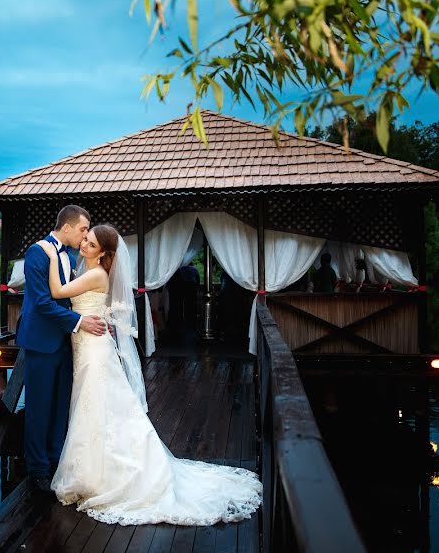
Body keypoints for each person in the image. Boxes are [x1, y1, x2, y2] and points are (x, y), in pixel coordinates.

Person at [35, 224, 261, 526]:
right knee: (96, 408)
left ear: (103, 252)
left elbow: (58, 292)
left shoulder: (97, 273)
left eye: (90, 244)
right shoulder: (86, 270)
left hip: (93, 351)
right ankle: (91, 468)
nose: (83, 246)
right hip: (86, 345)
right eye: (84, 240)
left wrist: (50, 255)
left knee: (94, 407)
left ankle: (101, 474)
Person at [16, 205, 108, 493]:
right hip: (41, 343)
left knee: (60, 406)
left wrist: (99, 318)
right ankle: (38, 471)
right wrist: (80, 321)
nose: (84, 237)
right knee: (38, 408)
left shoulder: (68, 257)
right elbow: (43, 303)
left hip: (66, 343)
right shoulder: (37, 252)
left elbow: (74, 296)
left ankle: (57, 461)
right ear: (66, 227)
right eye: (82, 230)